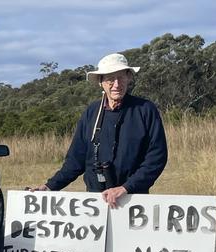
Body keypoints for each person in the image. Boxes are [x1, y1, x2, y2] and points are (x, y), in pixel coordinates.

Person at [29, 53, 168, 208]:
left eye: (121, 77)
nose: (116, 84)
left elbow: (156, 158)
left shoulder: (145, 110)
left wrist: (126, 188)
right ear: (100, 82)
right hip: (95, 202)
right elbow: (76, 160)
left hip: (134, 200)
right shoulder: (91, 112)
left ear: (129, 77)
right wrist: (49, 187)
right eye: (110, 79)